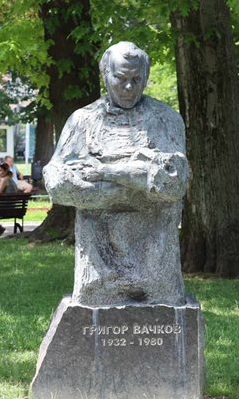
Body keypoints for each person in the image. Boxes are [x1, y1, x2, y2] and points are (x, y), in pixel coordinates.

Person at [43, 41, 189, 306]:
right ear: (105, 75)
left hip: (156, 256)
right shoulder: (83, 121)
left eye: (136, 79)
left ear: (146, 78)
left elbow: (172, 184)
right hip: (98, 261)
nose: (129, 87)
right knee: (94, 307)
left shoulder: (166, 119)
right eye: (120, 78)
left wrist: (103, 177)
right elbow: (57, 181)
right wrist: (140, 181)